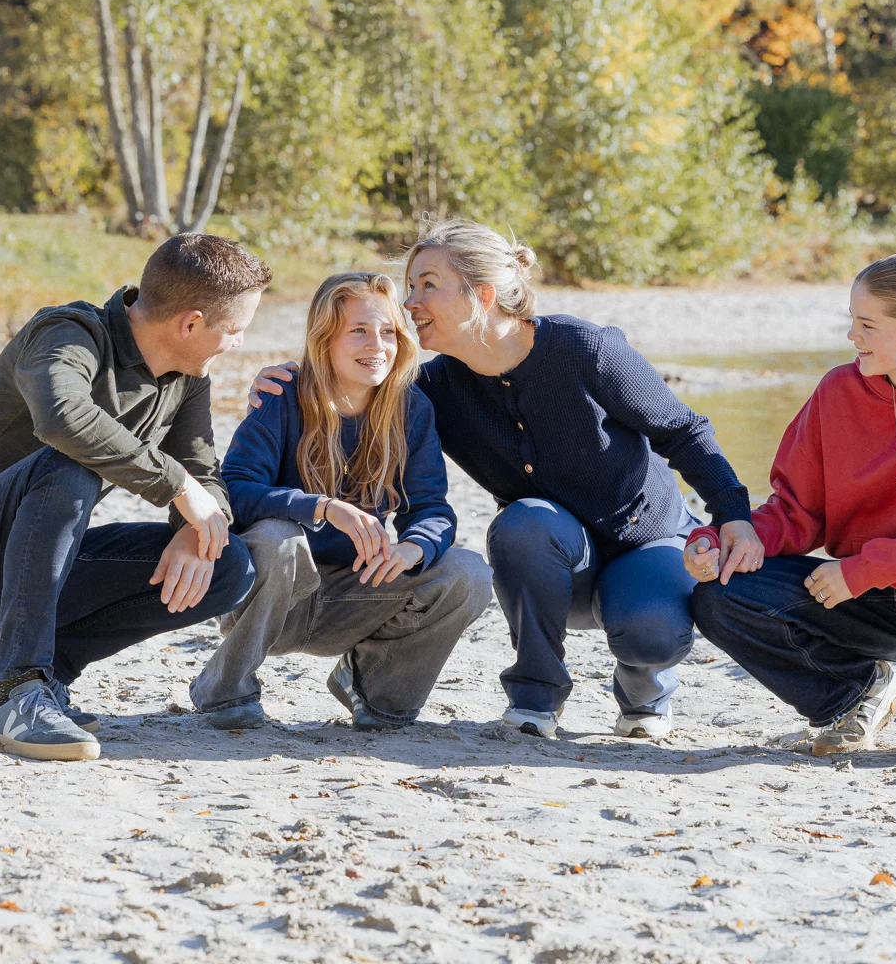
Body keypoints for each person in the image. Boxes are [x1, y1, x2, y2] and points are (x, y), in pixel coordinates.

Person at [252, 220, 762, 740]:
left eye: (428, 284)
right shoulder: (432, 391)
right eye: (411, 286)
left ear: (483, 295)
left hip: (648, 541)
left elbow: (684, 431)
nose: (411, 302)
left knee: (650, 632)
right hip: (551, 560)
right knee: (524, 522)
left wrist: (734, 515)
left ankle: (644, 690)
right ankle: (535, 698)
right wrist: (292, 383)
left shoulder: (585, 350)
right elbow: (354, 390)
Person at [0, 234, 270, 762]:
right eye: (236, 329)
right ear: (191, 324)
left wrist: (193, 529)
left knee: (227, 564)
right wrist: (177, 487)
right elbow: (63, 419)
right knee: (71, 460)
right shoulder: (66, 334)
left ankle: (45, 671)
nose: (238, 343)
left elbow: (203, 472)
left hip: (30, 571)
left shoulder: (187, 378)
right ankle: (16, 691)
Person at [687, 251, 896, 756]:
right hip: (858, 599)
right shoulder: (836, 392)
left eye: (867, 325)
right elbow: (797, 511)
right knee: (719, 595)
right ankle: (858, 692)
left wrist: (863, 569)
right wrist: (727, 540)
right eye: (852, 320)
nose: (852, 336)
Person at [189, 272, 492, 730]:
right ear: (325, 337)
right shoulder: (282, 395)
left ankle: (373, 689)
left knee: (467, 573)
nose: (377, 345)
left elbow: (431, 508)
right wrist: (321, 507)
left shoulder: (410, 407)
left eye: (388, 332)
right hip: (271, 595)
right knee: (277, 537)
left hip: (356, 593)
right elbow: (236, 491)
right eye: (359, 331)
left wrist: (414, 547)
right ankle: (225, 688)